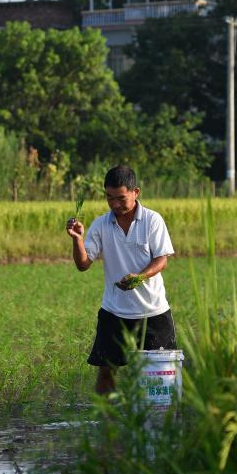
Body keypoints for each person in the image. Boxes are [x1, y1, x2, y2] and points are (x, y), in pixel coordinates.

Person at [65, 165, 176, 395]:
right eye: (109, 198)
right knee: (106, 371)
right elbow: (83, 264)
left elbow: (162, 260)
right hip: (114, 313)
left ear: (136, 192)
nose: (115, 204)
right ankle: (107, 421)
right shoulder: (101, 225)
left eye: (121, 198)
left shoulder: (152, 220)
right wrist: (77, 240)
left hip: (153, 312)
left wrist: (139, 277)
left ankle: (159, 420)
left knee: (159, 373)